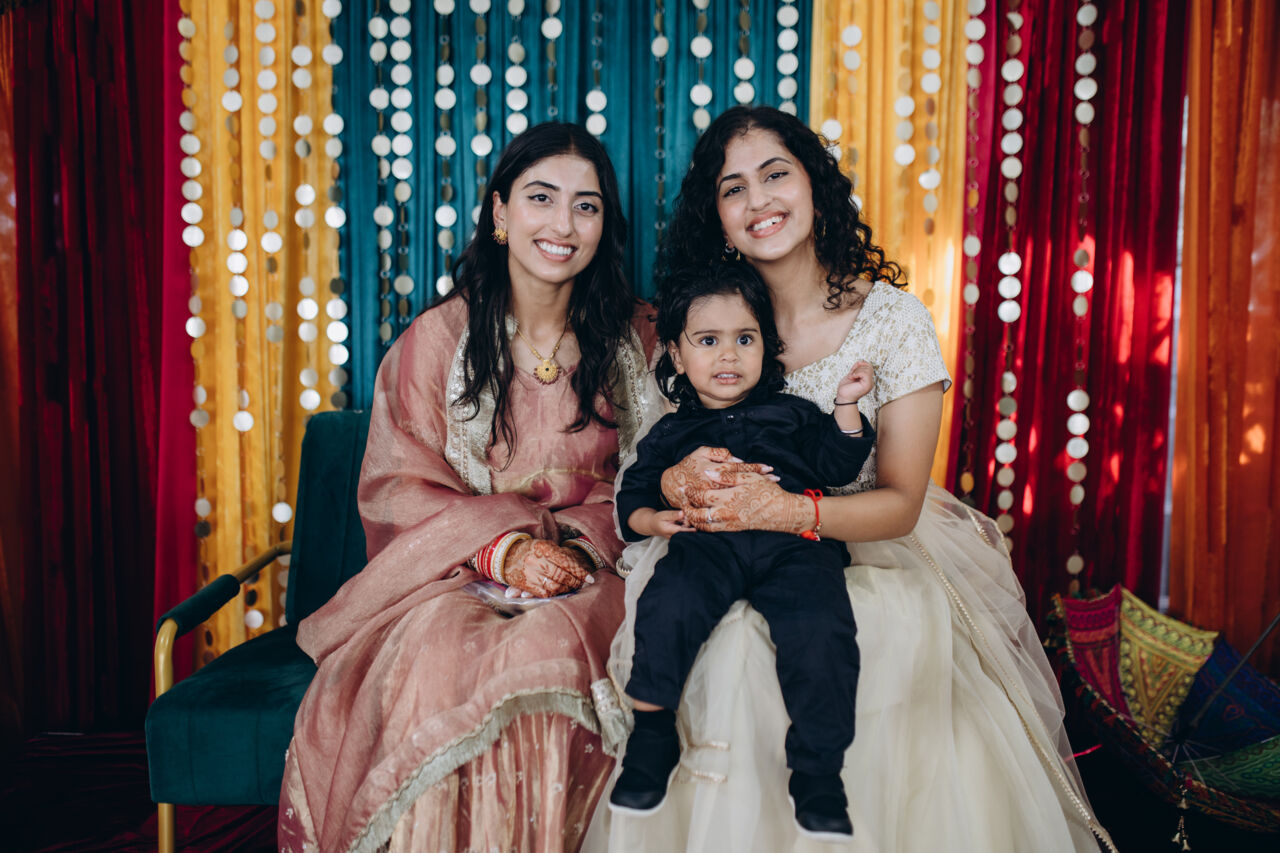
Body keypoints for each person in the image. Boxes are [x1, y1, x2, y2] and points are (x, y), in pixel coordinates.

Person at [588, 106, 1116, 853]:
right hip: (719, 547)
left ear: (814, 184)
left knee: (800, 643)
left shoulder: (892, 322)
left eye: (775, 174)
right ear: (719, 217)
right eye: (733, 188)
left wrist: (785, 509)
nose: (759, 200)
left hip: (861, 547)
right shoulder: (707, 322)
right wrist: (676, 481)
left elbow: (899, 503)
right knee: (703, 635)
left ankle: (822, 800)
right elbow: (655, 457)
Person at [277, 122, 660, 853]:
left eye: (586, 205)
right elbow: (397, 488)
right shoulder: (436, 342)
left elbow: (658, 475)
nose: (563, 223)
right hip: (456, 574)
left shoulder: (640, 340)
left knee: (561, 641)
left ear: (604, 224)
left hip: (602, 565)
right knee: (441, 651)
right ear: (499, 212)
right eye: (541, 197)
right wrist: (505, 550)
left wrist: (576, 548)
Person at [606, 262, 875, 842]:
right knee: (668, 602)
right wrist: (653, 518)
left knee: (822, 627)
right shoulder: (671, 434)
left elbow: (836, 465)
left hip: (795, 546)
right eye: (708, 341)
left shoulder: (794, 413)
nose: (728, 355)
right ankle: (652, 736)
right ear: (677, 355)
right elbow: (633, 497)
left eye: (745, 339)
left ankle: (818, 772)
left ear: (765, 346)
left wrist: (846, 408)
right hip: (708, 546)